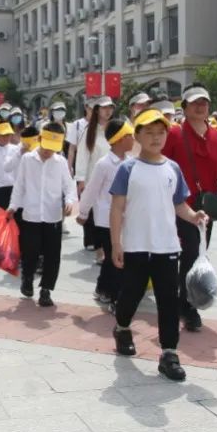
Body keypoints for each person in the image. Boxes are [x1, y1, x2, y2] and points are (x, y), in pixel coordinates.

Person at [109, 109, 209, 382]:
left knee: (168, 301)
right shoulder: (128, 169)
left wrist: (193, 215)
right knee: (131, 294)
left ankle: (168, 353)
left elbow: (179, 204)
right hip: (136, 245)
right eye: (149, 133)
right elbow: (117, 208)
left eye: (160, 132)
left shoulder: (172, 168)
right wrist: (116, 242)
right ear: (137, 136)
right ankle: (122, 327)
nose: (155, 138)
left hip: (166, 246)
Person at [162, 85, 217, 333]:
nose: (201, 106)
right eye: (195, 102)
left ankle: (184, 301)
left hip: (206, 210)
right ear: (184, 107)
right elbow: (161, 168)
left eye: (204, 102)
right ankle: (187, 306)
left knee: (198, 254)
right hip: (178, 206)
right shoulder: (174, 135)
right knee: (187, 254)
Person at [7, 123, 76, 308]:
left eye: (53, 149)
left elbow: (69, 186)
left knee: (53, 255)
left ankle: (46, 290)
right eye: (46, 148)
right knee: (30, 252)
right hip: (31, 215)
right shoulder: (27, 160)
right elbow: (19, 185)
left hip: (53, 216)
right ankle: (27, 279)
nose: (48, 152)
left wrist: (70, 201)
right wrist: (13, 206)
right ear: (39, 140)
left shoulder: (60, 162)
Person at [77, 119, 134, 307]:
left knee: (113, 260)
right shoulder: (104, 164)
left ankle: (103, 288)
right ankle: (114, 296)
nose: (132, 139)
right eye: (128, 136)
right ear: (118, 140)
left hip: (125, 220)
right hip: (105, 220)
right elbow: (91, 190)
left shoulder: (131, 163)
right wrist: (83, 212)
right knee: (115, 258)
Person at [75, 95, 115, 256]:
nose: (108, 111)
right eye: (104, 108)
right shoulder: (89, 132)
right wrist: (81, 180)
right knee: (98, 215)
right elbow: (82, 156)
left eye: (110, 108)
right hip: (95, 179)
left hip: (114, 179)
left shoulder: (116, 128)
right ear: (97, 110)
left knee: (112, 213)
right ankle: (100, 249)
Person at [66, 99, 94, 177]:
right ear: (86, 107)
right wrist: (69, 167)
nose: (93, 111)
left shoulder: (102, 125)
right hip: (81, 163)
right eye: (91, 108)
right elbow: (71, 149)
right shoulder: (77, 124)